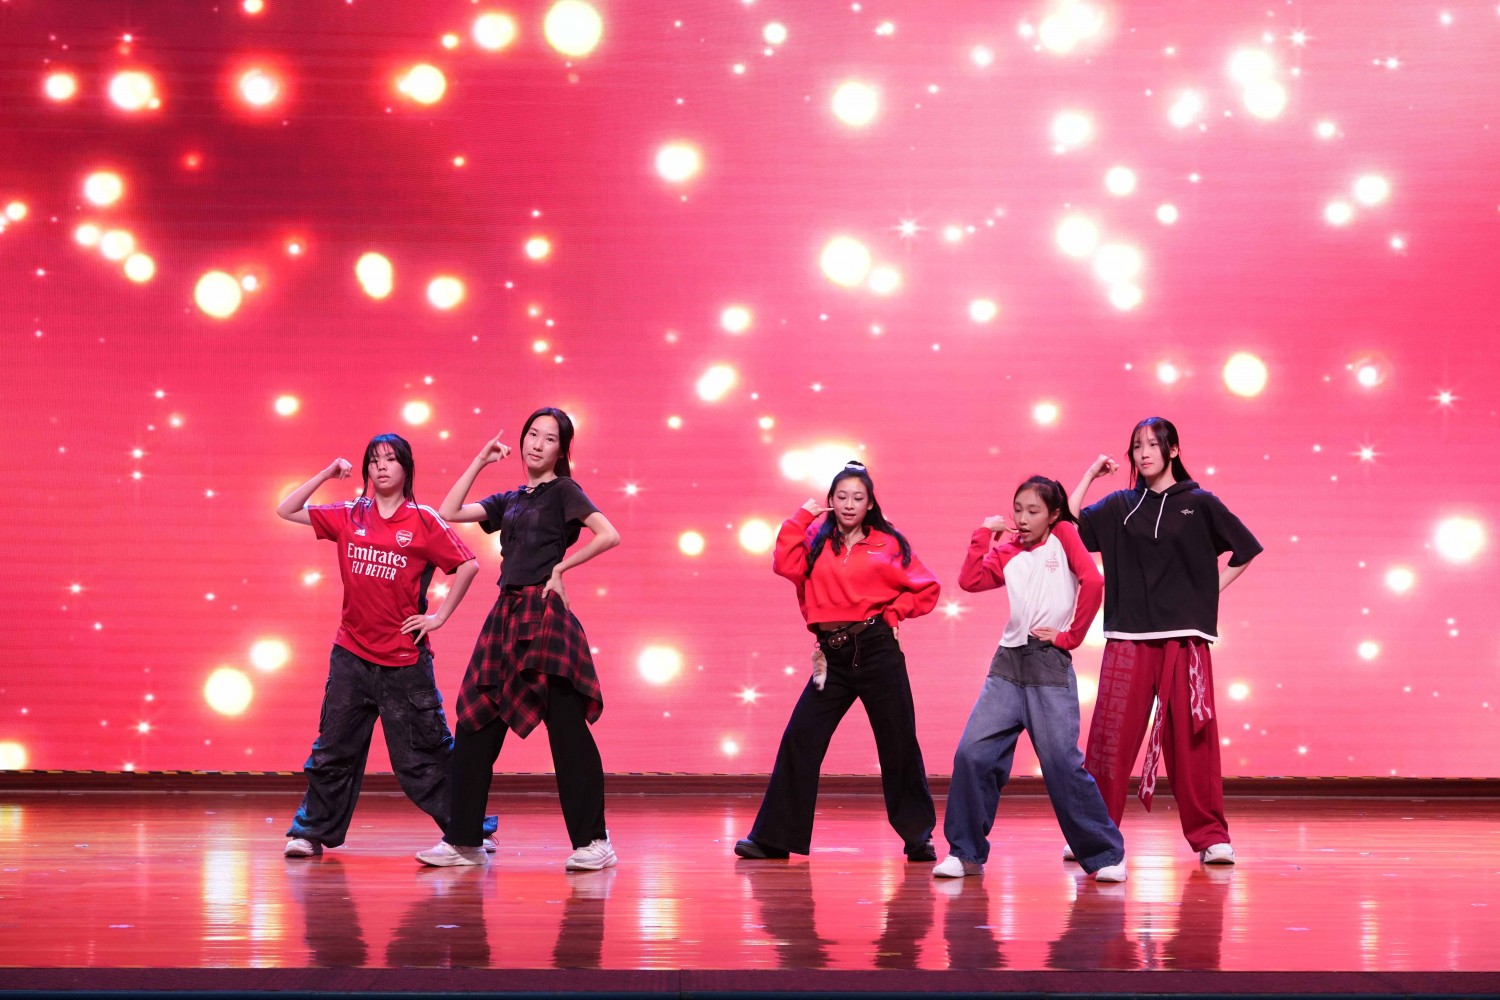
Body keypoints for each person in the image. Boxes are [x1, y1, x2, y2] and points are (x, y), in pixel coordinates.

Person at [416, 408, 621, 869]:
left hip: (544, 613)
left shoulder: (564, 491)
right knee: (475, 723)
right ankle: (464, 840)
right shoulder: (509, 499)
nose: (536, 444)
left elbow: (609, 535)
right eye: (532, 434)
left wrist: (561, 569)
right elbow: (448, 512)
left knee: (565, 725)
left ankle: (595, 841)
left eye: (549, 438)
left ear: (561, 450)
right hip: (506, 615)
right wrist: (481, 460)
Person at [277, 433, 494, 858]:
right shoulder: (349, 514)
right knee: (333, 749)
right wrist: (327, 473)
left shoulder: (424, 520)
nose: (381, 466)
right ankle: (309, 833)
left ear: (406, 468)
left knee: (424, 755)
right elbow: (286, 509)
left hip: (404, 661)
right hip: (351, 655)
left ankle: (470, 829)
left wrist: (438, 617)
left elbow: (468, 565)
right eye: (374, 460)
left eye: (391, 459)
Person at [1068, 417, 1262, 863]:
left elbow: (1245, 549)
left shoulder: (1199, 502)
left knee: (1193, 738)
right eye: (1137, 446)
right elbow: (1072, 524)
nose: (1144, 453)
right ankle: (1092, 834)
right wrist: (1091, 474)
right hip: (1127, 638)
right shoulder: (1120, 504)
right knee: (1110, 740)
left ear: (1173, 450)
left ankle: (1211, 837)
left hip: (1184, 641)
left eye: (1153, 445)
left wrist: (1207, 593)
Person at [735, 461, 941, 861]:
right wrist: (802, 516)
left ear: (869, 504)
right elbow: (784, 564)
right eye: (841, 497)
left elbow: (928, 588)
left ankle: (918, 836)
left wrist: (894, 613)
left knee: (898, 742)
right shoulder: (815, 540)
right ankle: (774, 838)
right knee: (801, 737)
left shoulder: (887, 543)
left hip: (877, 650)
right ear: (830, 500)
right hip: (832, 655)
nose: (849, 504)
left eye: (857, 498)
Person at [934, 476, 1126, 882]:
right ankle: (965, 853)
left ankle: (1106, 855)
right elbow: (970, 581)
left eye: (1033, 511)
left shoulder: (1063, 535)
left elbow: (1094, 581)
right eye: (1018, 509)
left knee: (1060, 763)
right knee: (972, 754)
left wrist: (1070, 637)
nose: (1022, 518)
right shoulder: (1008, 550)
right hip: (1007, 665)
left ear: (1053, 514)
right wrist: (983, 535)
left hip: (1047, 665)